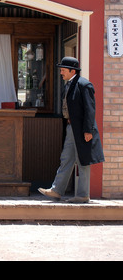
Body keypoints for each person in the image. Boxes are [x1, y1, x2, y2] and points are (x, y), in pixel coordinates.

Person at [38, 57, 104, 203]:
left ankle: (82, 195)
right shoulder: (69, 84)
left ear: (72, 71)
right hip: (71, 128)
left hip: (82, 129)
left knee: (83, 160)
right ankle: (56, 190)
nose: (61, 72)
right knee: (66, 158)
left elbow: (90, 109)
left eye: (63, 70)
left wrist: (88, 130)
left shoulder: (84, 85)